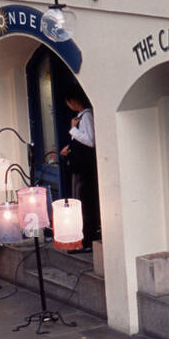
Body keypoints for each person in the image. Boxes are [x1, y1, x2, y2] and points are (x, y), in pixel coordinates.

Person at [58, 89, 99, 251]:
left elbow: (90, 140)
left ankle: (87, 240)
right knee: (79, 202)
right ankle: (82, 238)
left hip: (85, 169)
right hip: (79, 167)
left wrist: (73, 130)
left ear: (72, 101)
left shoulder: (86, 116)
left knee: (84, 203)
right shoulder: (81, 117)